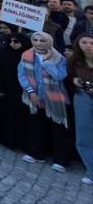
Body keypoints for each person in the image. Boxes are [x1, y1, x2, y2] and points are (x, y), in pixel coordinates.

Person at [18, 30, 71, 171]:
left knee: (58, 129)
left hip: (54, 99)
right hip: (35, 97)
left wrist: (46, 62)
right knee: (36, 125)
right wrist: (30, 91)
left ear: (49, 42)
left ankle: (60, 160)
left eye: (42, 41)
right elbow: (22, 74)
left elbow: (60, 76)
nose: (38, 43)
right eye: (36, 40)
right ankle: (36, 153)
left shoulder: (59, 58)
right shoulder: (26, 55)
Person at [68, 33, 93, 186]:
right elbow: (69, 77)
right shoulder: (74, 60)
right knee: (84, 135)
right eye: (84, 42)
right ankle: (91, 171)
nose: (88, 45)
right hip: (83, 97)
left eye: (91, 42)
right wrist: (74, 80)